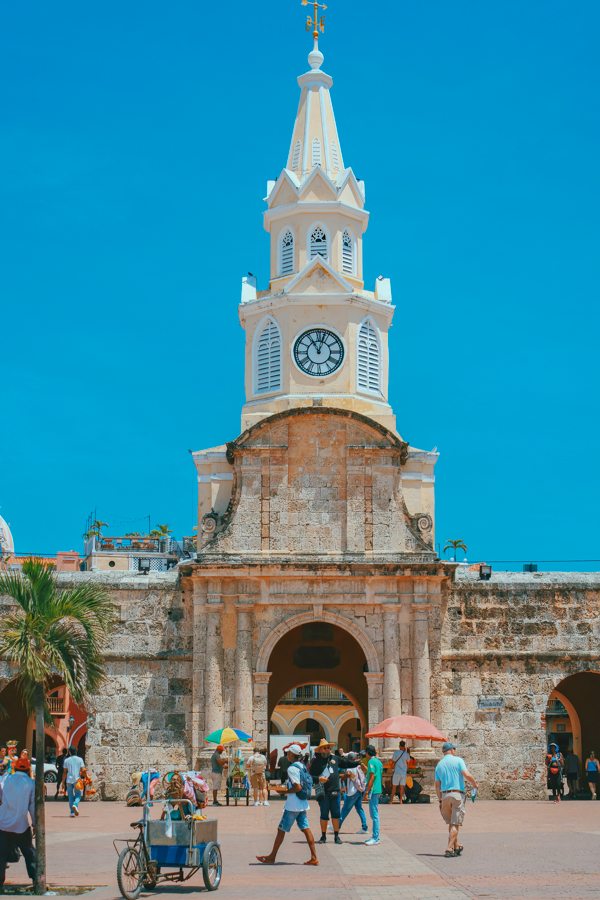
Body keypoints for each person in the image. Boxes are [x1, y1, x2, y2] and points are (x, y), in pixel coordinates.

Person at [256, 744, 318, 866]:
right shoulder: (302, 766)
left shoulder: (292, 769)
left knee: (281, 830)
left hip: (293, 805)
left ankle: (272, 857)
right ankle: (314, 857)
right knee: (306, 829)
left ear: (291, 754)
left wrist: (284, 791)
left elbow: (297, 786)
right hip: (302, 804)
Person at [434, 741, 478, 857]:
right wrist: (475, 784)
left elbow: (437, 785)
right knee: (456, 823)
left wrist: (440, 800)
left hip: (445, 796)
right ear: (452, 750)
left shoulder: (439, 765)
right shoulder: (458, 760)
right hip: (457, 794)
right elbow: (466, 774)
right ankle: (449, 849)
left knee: (452, 823)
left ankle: (456, 846)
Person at [0, 758, 37, 891]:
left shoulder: (4, 779)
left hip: (3, 825)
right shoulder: (31, 783)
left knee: (1, 855)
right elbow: (32, 807)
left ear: (14, 768)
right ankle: (37, 880)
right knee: (30, 853)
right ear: (28, 770)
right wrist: (35, 825)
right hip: (21, 826)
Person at [309, 739, 355, 845]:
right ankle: (323, 836)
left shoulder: (335, 759)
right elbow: (310, 776)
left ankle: (336, 836)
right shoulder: (316, 761)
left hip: (335, 791)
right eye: (325, 747)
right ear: (320, 749)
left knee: (336, 814)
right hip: (323, 792)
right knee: (324, 814)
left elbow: (347, 763)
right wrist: (318, 778)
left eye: (328, 747)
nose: (327, 749)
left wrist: (358, 762)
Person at [333, 751, 368, 835]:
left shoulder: (351, 767)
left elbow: (348, 774)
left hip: (352, 792)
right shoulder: (359, 766)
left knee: (345, 809)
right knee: (359, 809)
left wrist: (341, 779)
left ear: (348, 759)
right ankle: (365, 827)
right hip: (359, 790)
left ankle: (337, 826)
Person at [363, 745, 383, 845]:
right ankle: (376, 836)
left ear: (367, 753)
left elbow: (371, 778)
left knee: (374, 814)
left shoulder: (371, 761)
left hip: (373, 790)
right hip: (378, 789)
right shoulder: (379, 762)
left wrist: (366, 792)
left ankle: (376, 837)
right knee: (375, 813)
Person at [62, 746, 85, 818]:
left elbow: (64, 772)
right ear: (76, 750)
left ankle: (72, 812)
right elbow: (83, 770)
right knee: (78, 794)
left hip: (69, 780)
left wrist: (63, 782)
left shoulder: (66, 760)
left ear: (69, 752)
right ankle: (75, 804)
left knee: (70, 796)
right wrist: (86, 777)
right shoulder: (80, 759)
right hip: (77, 780)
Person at [390, 740, 411, 805]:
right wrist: (407, 752)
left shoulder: (396, 753)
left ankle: (391, 800)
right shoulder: (406, 754)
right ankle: (401, 800)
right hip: (403, 772)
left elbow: (393, 761)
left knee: (394, 786)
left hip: (397, 772)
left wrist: (390, 768)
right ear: (404, 746)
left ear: (399, 746)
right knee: (402, 786)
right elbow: (408, 761)